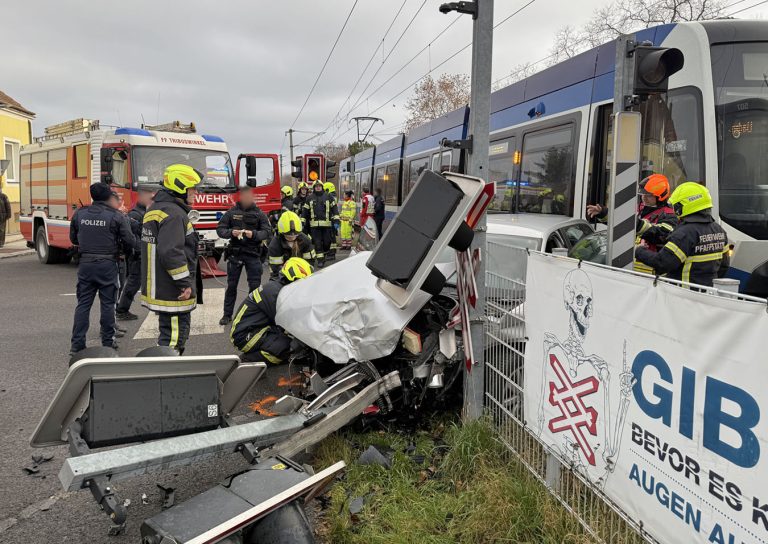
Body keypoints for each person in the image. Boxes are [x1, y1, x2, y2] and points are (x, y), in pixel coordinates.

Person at [141, 164, 202, 354]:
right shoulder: (174, 214)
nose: (196, 193)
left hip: (161, 286)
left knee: (168, 334)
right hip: (173, 290)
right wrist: (184, 283)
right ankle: (167, 374)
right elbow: (171, 252)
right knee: (173, 340)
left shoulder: (158, 209)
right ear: (180, 187)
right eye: (193, 189)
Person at [69, 183, 135, 360]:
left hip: (85, 264)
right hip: (107, 264)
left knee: (83, 304)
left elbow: (73, 238)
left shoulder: (80, 214)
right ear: (108, 197)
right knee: (108, 304)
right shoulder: (116, 216)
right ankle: (107, 342)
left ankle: (77, 346)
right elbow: (129, 240)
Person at [635, 182, 729, 287]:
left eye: (676, 206)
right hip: (707, 294)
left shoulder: (684, 234)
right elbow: (723, 266)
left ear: (682, 206)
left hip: (683, 295)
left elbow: (662, 263)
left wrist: (639, 251)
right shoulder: (719, 230)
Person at [587, 174, 678, 274]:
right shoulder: (638, 208)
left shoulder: (669, 215)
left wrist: (635, 224)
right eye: (643, 194)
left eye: (649, 195)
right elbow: (621, 223)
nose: (644, 198)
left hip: (651, 273)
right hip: (628, 267)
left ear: (661, 196)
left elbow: (661, 234)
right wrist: (604, 213)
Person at [229, 257, 313, 364]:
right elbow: (289, 323)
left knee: (295, 343)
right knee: (288, 348)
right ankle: (249, 360)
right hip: (245, 335)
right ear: (290, 278)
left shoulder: (278, 287)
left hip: (258, 327)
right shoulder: (275, 293)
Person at [216, 186, 271, 326]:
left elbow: (267, 232)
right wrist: (231, 232)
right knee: (231, 286)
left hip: (253, 254)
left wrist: (254, 235)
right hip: (235, 254)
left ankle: (252, 315)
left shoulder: (259, 213)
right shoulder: (231, 212)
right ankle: (227, 315)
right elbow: (220, 229)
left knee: (255, 287)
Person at [116, 185, 157, 320]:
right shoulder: (135, 214)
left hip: (144, 253)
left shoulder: (144, 212)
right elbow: (134, 236)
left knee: (145, 281)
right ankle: (122, 310)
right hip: (138, 255)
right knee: (134, 282)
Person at [302, 180, 339, 268]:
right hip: (314, 226)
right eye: (316, 186)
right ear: (314, 188)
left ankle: (324, 254)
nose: (318, 187)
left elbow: (335, 209)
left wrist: (337, 221)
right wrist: (302, 222)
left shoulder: (329, 196)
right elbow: (305, 212)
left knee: (327, 242)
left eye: (319, 186)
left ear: (322, 187)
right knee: (317, 243)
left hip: (327, 225)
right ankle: (320, 260)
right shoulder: (309, 198)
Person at [267, 210, 314, 278]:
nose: (292, 237)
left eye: (295, 235)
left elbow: (310, 262)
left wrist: (302, 272)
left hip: (302, 274)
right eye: (288, 236)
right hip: (281, 276)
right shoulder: (275, 244)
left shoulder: (305, 241)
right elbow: (276, 268)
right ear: (282, 233)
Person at [324, 182, 339, 261]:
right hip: (333, 219)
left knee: (331, 237)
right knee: (332, 237)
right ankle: (331, 253)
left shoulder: (331, 197)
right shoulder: (334, 196)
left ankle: (331, 254)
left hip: (332, 220)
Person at [0, 183, 11, 248]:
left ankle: (1, 243)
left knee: (2, 230)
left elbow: (8, 206)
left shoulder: (4, 196)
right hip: (3, 216)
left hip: (2, 217)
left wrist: (8, 215)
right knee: (2, 230)